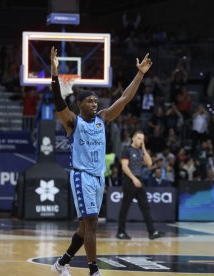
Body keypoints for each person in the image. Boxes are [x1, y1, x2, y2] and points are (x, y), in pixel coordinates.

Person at [49, 46, 153, 276]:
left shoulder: (102, 119)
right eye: (90, 101)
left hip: (98, 178)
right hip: (81, 175)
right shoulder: (73, 122)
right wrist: (54, 74)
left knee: (85, 226)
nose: (95, 104)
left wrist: (140, 74)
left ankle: (61, 263)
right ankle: (93, 270)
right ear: (80, 104)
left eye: (96, 101)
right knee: (93, 222)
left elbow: (125, 98)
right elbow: (58, 102)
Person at [116, 130, 164, 240]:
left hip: (139, 180)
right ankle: (121, 232)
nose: (140, 141)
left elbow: (149, 163)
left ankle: (152, 232)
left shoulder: (140, 151)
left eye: (142, 139)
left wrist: (143, 148)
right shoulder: (126, 150)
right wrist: (133, 179)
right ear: (133, 138)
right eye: (138, 138)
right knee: (125, 207)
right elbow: (124, 167)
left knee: (145, 207)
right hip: (129, 180)